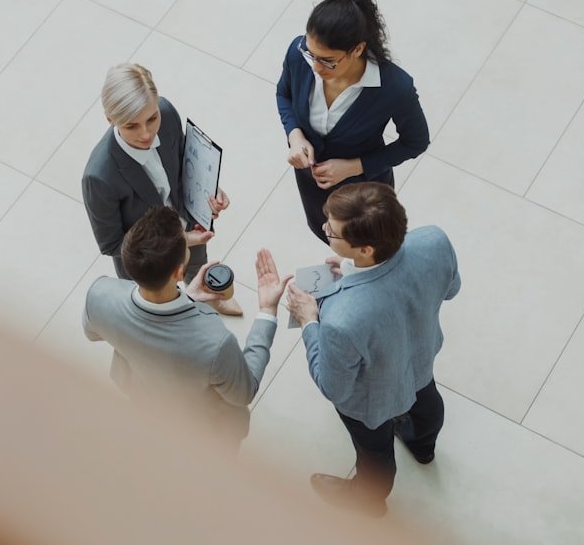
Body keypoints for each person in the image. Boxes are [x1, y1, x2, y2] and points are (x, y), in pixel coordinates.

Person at [285, 183, 460, 517]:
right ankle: (423, 448)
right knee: (426, 402)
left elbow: (332, 386)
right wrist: (351, 271)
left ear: (365, 249)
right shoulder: (434, 241)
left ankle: (368, 499)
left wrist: (309, 321)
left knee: (374, 453)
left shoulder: (339, 320)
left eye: (331, 232)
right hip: (421, 359)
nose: (325, 231)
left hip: (371, 401)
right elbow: (451, 290)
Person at [83, 206, 290, 453]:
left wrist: (189, 297)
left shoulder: (100, 294)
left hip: (143, 402)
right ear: (179, 272)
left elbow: (92, 333)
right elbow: (243, 393)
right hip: (203, 431)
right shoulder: (215, 342)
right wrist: (267, 310)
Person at [83, 63, 242, 315]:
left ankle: (206, 296)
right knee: (161, 315)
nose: (146, 134)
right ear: (110, 120)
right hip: (147, 263)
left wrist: (208, 190)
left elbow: (183, 163)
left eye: (151, 118)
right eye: (131, 126)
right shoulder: (99, 177)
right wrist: (177, 242)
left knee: (196, 265)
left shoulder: (166, 114)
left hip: (187, 224)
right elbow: (111, 243)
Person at [275, 0, 429, 243]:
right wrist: (295, 135)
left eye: (328, 60)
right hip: (313, 187)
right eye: (311, 53)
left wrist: (353, 166)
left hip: (362, 194)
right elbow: (284, 94)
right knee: (328, 238)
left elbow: (416, 142)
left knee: (365, 248)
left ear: (357, 49)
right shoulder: (298, 53)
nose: (315, 66)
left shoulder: (394, 87)